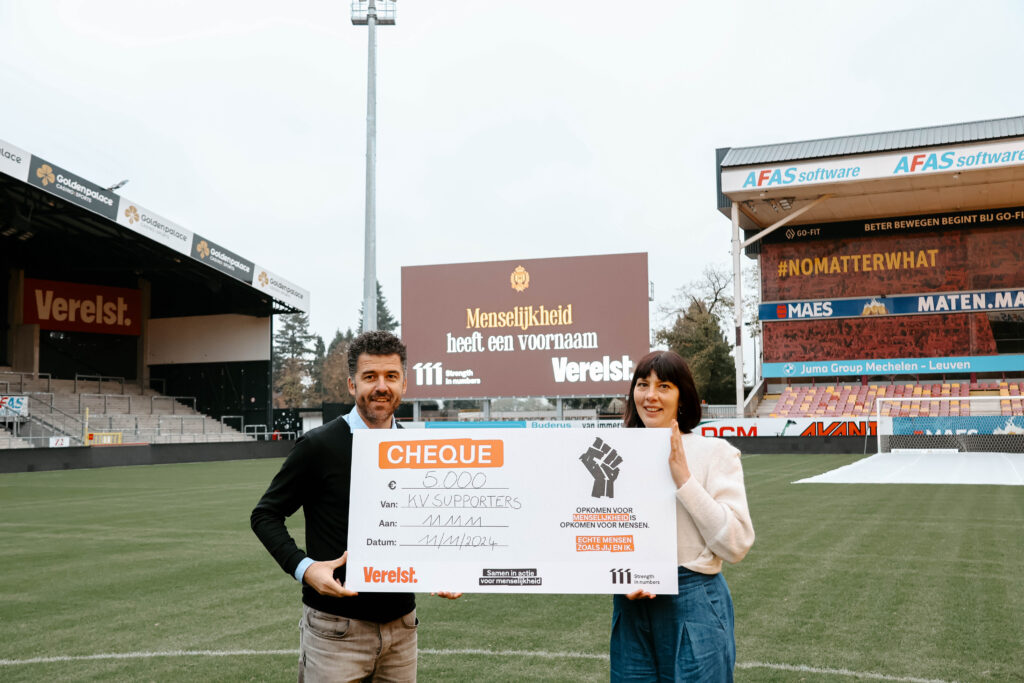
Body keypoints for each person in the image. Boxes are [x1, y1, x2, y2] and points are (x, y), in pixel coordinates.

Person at [251, 330, 459, 682]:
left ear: (404, 384)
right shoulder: (319, 445)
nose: (381, 386)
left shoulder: (418, 450)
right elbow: (265, 515)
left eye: (391, 377)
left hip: (403, 629)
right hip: (335, 631)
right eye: (370, 377)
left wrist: (443, 568)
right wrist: (304, 568)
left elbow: (424, 523)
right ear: (351, 385)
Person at [610, 350, 754, 682]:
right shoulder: (614, 454)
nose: (650, 395)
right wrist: (618, 576)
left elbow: (736, 544)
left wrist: (684, 480)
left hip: (694, 599)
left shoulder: (715, 452)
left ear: (682, 396)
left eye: (664, 386)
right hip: (630, 606)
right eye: (643, 384)